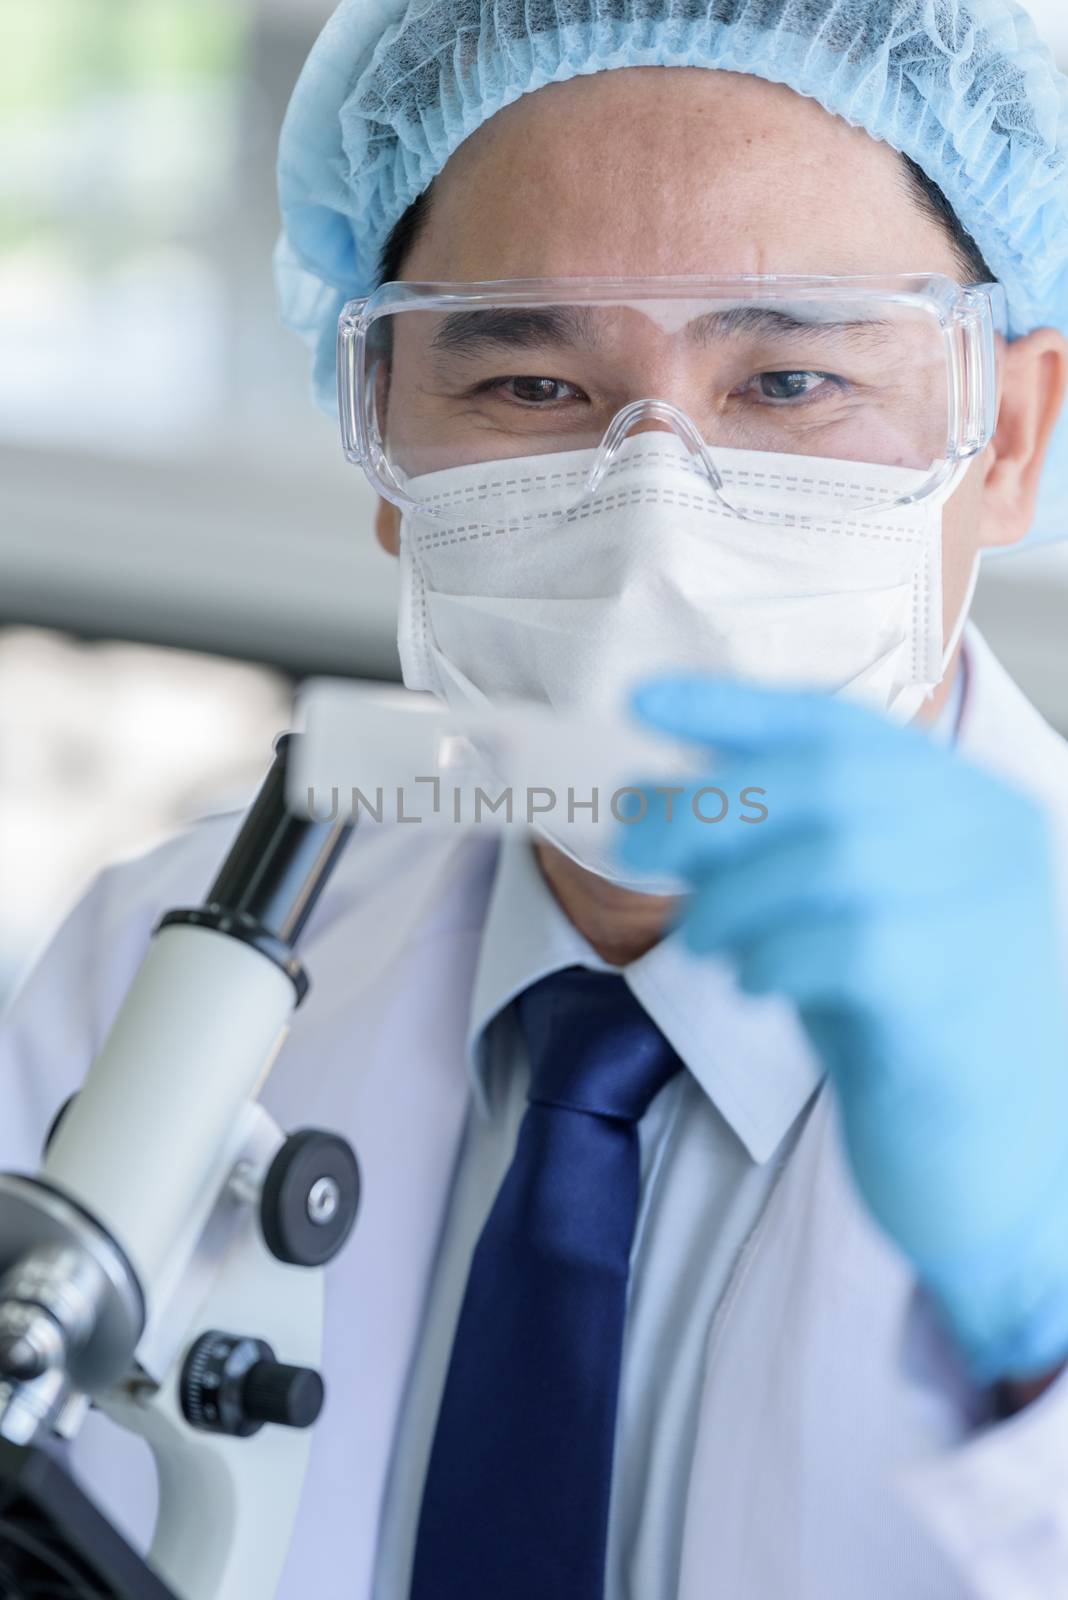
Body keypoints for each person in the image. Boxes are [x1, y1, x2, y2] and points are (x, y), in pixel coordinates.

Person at [5, 1, 1068, 1595]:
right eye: (527, 387)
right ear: (384, 451)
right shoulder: (148, 980)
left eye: (787, 381)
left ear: (1011, 435)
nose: (653, 513)